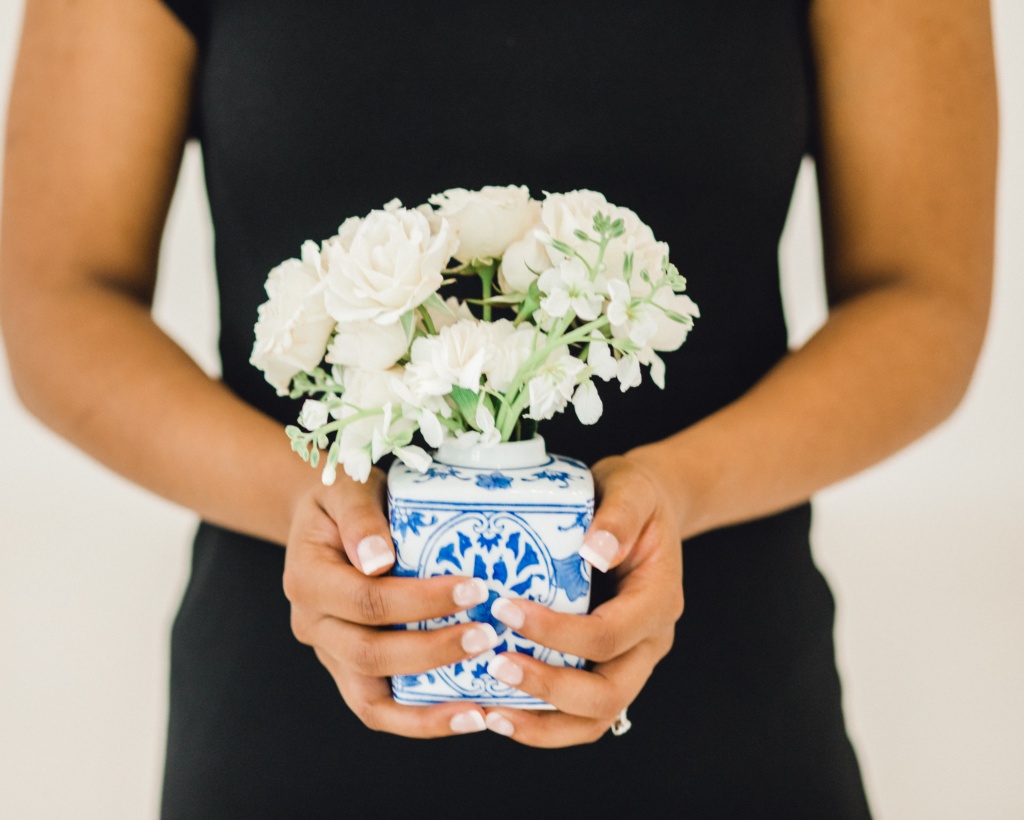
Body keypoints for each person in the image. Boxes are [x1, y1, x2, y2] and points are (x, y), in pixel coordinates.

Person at [0, 0, 997, 817]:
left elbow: (922, 298)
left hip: (723, 726)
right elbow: (55, 294)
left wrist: (675, 492)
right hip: (292, 731)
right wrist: (310, 503)